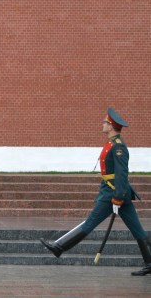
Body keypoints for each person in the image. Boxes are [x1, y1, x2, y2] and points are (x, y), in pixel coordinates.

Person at [40, 107, 151, 276]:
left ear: (112, 126)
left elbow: (122, 173)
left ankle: (59, 247)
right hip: (113, 191)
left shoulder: (118, 147)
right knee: (137, 230)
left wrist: (118, 197)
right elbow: (113, 171)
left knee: (90, 222)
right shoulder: (112, 144)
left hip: (113, 194)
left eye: (105, 122)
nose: (103, 124)